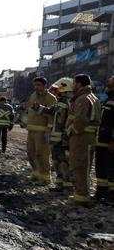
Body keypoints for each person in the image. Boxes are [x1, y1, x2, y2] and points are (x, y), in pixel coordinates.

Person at [67, 74, 102, 205]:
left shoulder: (82, 98)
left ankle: (82, 196)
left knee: (79, 165)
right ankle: (81, 194)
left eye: (74, 83)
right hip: (87, 137)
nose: (72, 86)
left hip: (81, 137)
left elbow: (80, 120)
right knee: (83, 165)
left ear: (80, 84)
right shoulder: (92, 97)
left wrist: (70, 130)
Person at [35, 78, 74, 190]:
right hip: (57, 138)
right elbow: (50, 111)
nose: (54, 92)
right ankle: (60, 183)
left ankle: (67, 184)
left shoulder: (66, 104)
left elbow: (66, 122)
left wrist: (66, 136)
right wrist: (39, 108)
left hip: (61, 138)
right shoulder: (60, 103)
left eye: (57, 90)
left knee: (63, 160)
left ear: (63, 90)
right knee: (57, 160)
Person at [26, 77, 57, 185]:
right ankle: (36, 173)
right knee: (30, 153)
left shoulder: (51, 98)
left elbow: (52, 115)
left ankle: (45, 177)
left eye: (39, 85)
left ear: (45, 85)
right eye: (35, 85)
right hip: (31, 129)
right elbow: (29, 109)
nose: (36, 87)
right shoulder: (33, 95)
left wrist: (48, 130)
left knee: (41, 154)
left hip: (42, 130)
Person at [95, 76, 114, 203]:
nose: (108, 82)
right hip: (101, 140)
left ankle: (112, 195)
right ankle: (101, 191)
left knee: (111, 168)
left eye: (111, 81)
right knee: (101, 166)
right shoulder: (108, 99)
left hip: (110, 142)